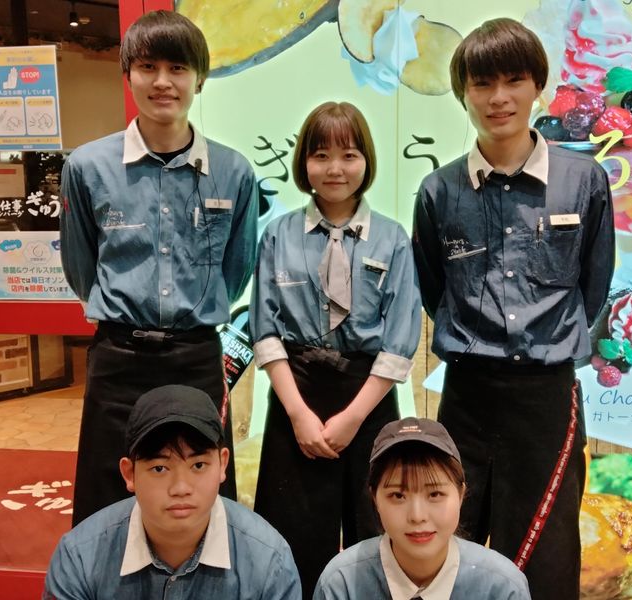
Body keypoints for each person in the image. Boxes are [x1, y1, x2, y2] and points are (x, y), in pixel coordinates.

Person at [412, 18, 614, 600]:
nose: (498, 98)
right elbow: (434, 289)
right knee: (448, 545)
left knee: (546, 553)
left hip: (547, 396)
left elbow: (593, 286)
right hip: (466, 394)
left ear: (537, 87)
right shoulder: (439, 192)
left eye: (513, 80)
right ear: (463, 94)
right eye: (482, 83)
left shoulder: (584, 181)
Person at [60, 10, 257, 524]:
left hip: (196, 359)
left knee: (200, 497)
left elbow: (236, 272)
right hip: (118, 359)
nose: (163, 81)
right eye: (148, 67)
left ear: (200, 79)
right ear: (128, 75)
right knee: (107, 500)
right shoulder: (87, 167)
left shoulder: (234, 172)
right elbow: (81, 268)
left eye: (178, 68)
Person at [249, 101, 422, 598]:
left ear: (366, 160)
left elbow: (399, 340)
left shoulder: (392, 238)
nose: (334, 169)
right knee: (292, 532)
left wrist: (353, 418)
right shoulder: (279, 235)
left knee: (374, 533)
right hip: (296, 395)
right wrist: (298, 414)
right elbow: (265, 331)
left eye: (348, 155)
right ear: (303, 161)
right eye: (321, 155)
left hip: (367, 398)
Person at [43, 385, 301, 600]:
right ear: (129, 474)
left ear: (223, 464)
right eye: (159, 468)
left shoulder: (269, 561)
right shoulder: (80, 557)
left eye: (198, 466)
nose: (180, 488)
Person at [313, 417, 531, 599]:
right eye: (398, 495)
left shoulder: (503, 588)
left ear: (461, 494)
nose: (417, 516)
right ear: (375, 499)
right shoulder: (342, 584)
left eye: (435, 494)